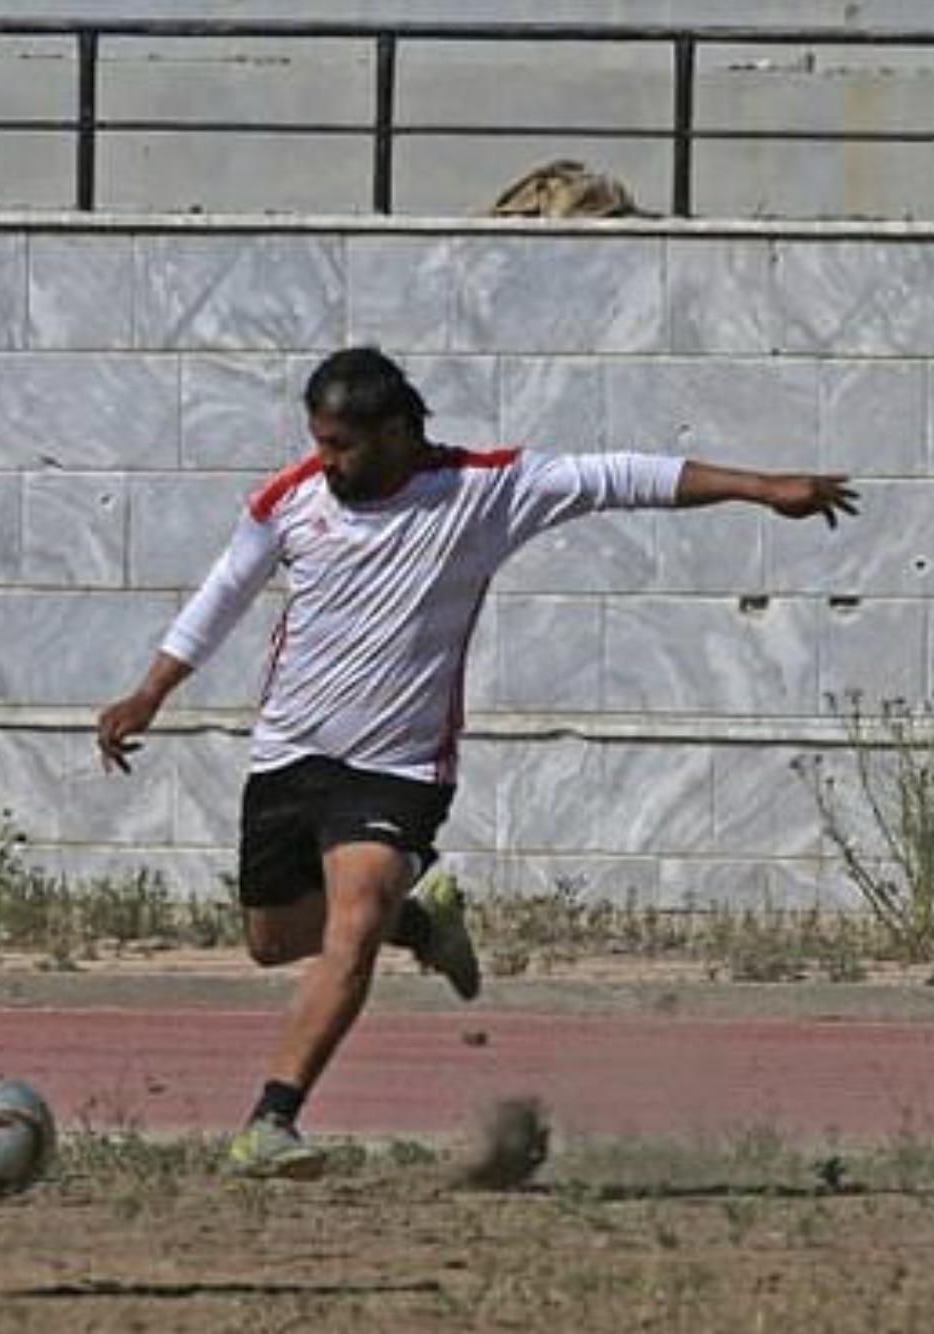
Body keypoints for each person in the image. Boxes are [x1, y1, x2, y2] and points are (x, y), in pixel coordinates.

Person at [96, 346, 858, 1181]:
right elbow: (222, 594)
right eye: (318, 440)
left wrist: (761, 488)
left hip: (399, 765)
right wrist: (149, 693)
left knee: (351, 925)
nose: (327, 459)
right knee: (272, 941)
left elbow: (618, 476)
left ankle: (270, 1123)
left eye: (342, 443)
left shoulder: (483, 490)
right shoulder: (292, 500)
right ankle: (422, 925)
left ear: (395, 431)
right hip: (290, 754)